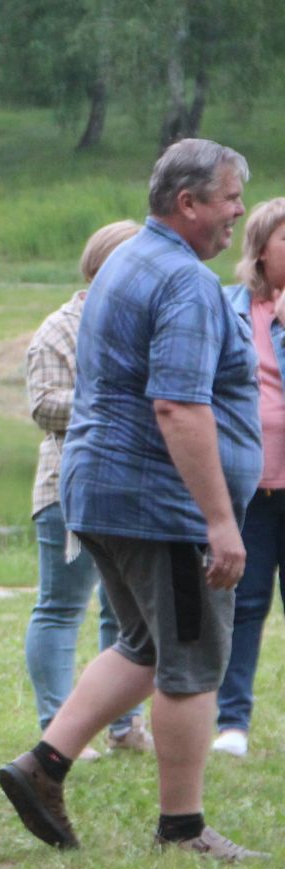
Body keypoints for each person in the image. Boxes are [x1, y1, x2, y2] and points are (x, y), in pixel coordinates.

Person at [0, 138, 267, 862]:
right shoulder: (184, 282)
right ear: (189, 203)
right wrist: (217, 520)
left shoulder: (128, 260)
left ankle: (42, 766)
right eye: (230, 198)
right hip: (164, 505)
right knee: (190, 661)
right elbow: (179, 405)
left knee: (144, 644)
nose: (238, 213)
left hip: (102, 492)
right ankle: (182, 830)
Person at [23, 220, 152, 760]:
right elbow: (43, 406)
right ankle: (58, 728)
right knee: (61, 606)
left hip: (134, 491)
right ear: (101, 267)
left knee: (124, 616)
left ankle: (124, 725)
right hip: (67, 489)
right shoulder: (59, 327)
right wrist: (113, 399)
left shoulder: (145, 324)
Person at [211, 198, 285, 758]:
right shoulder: (226, 306)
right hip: (249, 487)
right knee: (246, 601)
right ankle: (231, 723)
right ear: (260, 248)